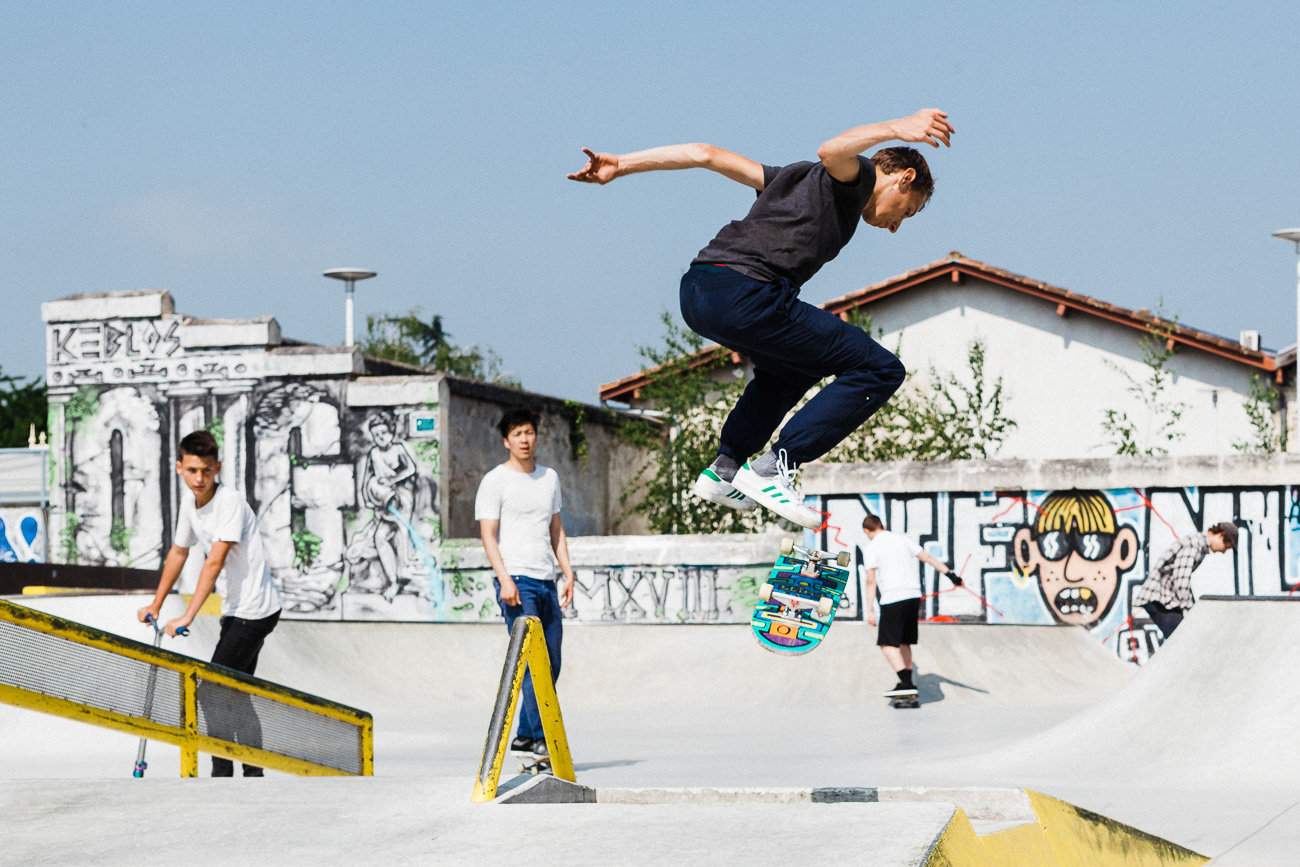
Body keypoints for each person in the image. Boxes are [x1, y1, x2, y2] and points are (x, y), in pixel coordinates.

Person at [568, 110, 954, 529]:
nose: (896, 226)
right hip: (747, 293)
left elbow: (705, 154)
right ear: (903, 179)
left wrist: (622, 164)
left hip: (699, 291)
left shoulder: (789, 178)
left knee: (789, 369)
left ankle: (725, 469)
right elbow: (832, 150)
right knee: (880, 368)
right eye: (907, 211)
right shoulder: (856, 178)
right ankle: (776, 466)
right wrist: (898, 127)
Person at [137, 429, 283, 777]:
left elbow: (214, 561)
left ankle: (223, 774)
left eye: (206, 470)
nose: (199, 479)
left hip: (255, 610)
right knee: (236, 692)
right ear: (179, 468)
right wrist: (156, 604)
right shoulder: (190, 505)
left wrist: (187, 616)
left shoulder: (229, 502)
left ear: (218, 467)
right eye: (192, 471)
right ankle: (253, 774)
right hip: (236, 609)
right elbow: (178, 552)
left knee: (211, 693)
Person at [475, 408, 577, 759]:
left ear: (536, 437)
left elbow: (556, 529)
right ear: (506, 440)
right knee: (532, 661)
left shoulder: (549, 478)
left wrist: (567, 571)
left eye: (529, 432)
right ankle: (538, 738)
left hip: (546, 579)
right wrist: (504, 579)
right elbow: (488, 535)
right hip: (517, 580)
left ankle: (525, 735)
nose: (524, 439)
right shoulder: (495, 480)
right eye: (517, 434)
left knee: (552, 660)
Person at [861, 513, 959, 700]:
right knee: (904, 642)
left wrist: (869, 610)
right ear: (883, 525)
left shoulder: (871, 548)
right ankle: (908, 682)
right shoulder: (902, 539)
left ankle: (906, 684)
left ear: (867, 531)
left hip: (893, 597)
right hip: (913, 595)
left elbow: (870, 581)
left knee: (886, 644)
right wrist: (952, 576)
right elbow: (927, 557)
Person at [1132, 522, 1237, 639]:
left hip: (1166, 599)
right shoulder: (1195, 544)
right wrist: (1188, 609)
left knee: (1181, 638)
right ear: (1221, 535)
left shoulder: (1199, 544)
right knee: (1180, 639)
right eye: (1226, 546)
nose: (1224, 551)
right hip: (1158, 598)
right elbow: (1181, 578)